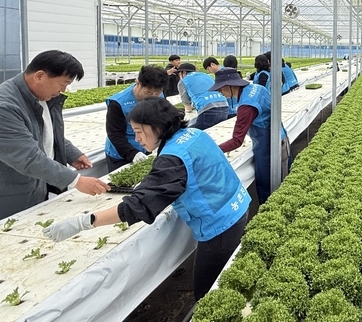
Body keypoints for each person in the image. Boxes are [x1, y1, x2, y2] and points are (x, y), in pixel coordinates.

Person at [43, 97, 250, 301]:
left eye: (139, 131)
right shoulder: (193, 134)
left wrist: (85, 222)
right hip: (237, 206)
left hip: (220, 225)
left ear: (157, 127)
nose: (137, 139)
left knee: (207, 294)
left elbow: (138, 205)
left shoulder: (173, 158)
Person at [0, 50, 110, 218]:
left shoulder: (40, 97)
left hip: (35, 185)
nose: (63, 90)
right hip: (11, 196)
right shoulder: (5, 107)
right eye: (63, 84)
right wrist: (76, 180)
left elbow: (45, 132)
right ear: (40, 76)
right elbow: (28, 157)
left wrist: (71, 153)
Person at [209, 68, 290, 204]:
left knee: (268, 185)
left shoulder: (246, 106)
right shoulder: (257, 88)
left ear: (231, 85)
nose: (220, 92)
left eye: (221, 88)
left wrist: (213, 149)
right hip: (280, 137)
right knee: (283, 180)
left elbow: (236, 141)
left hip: (269, 145)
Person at [104, 65, 167, 172]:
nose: (153, 96)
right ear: (138, 83)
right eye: (149, 92)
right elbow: (115, 134)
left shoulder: (160, 96)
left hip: (146, 148)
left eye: (157, 92)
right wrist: (133, 154)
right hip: (121, 154)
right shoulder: (118, 103)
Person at [176, 63, 230, 130]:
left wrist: (189, 110)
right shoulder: (206, 76)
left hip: (208, 111)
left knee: (187, 131)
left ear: (184, 72)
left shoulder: (183, 81)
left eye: (179, 74)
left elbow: (187, 106)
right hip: (225, 107)